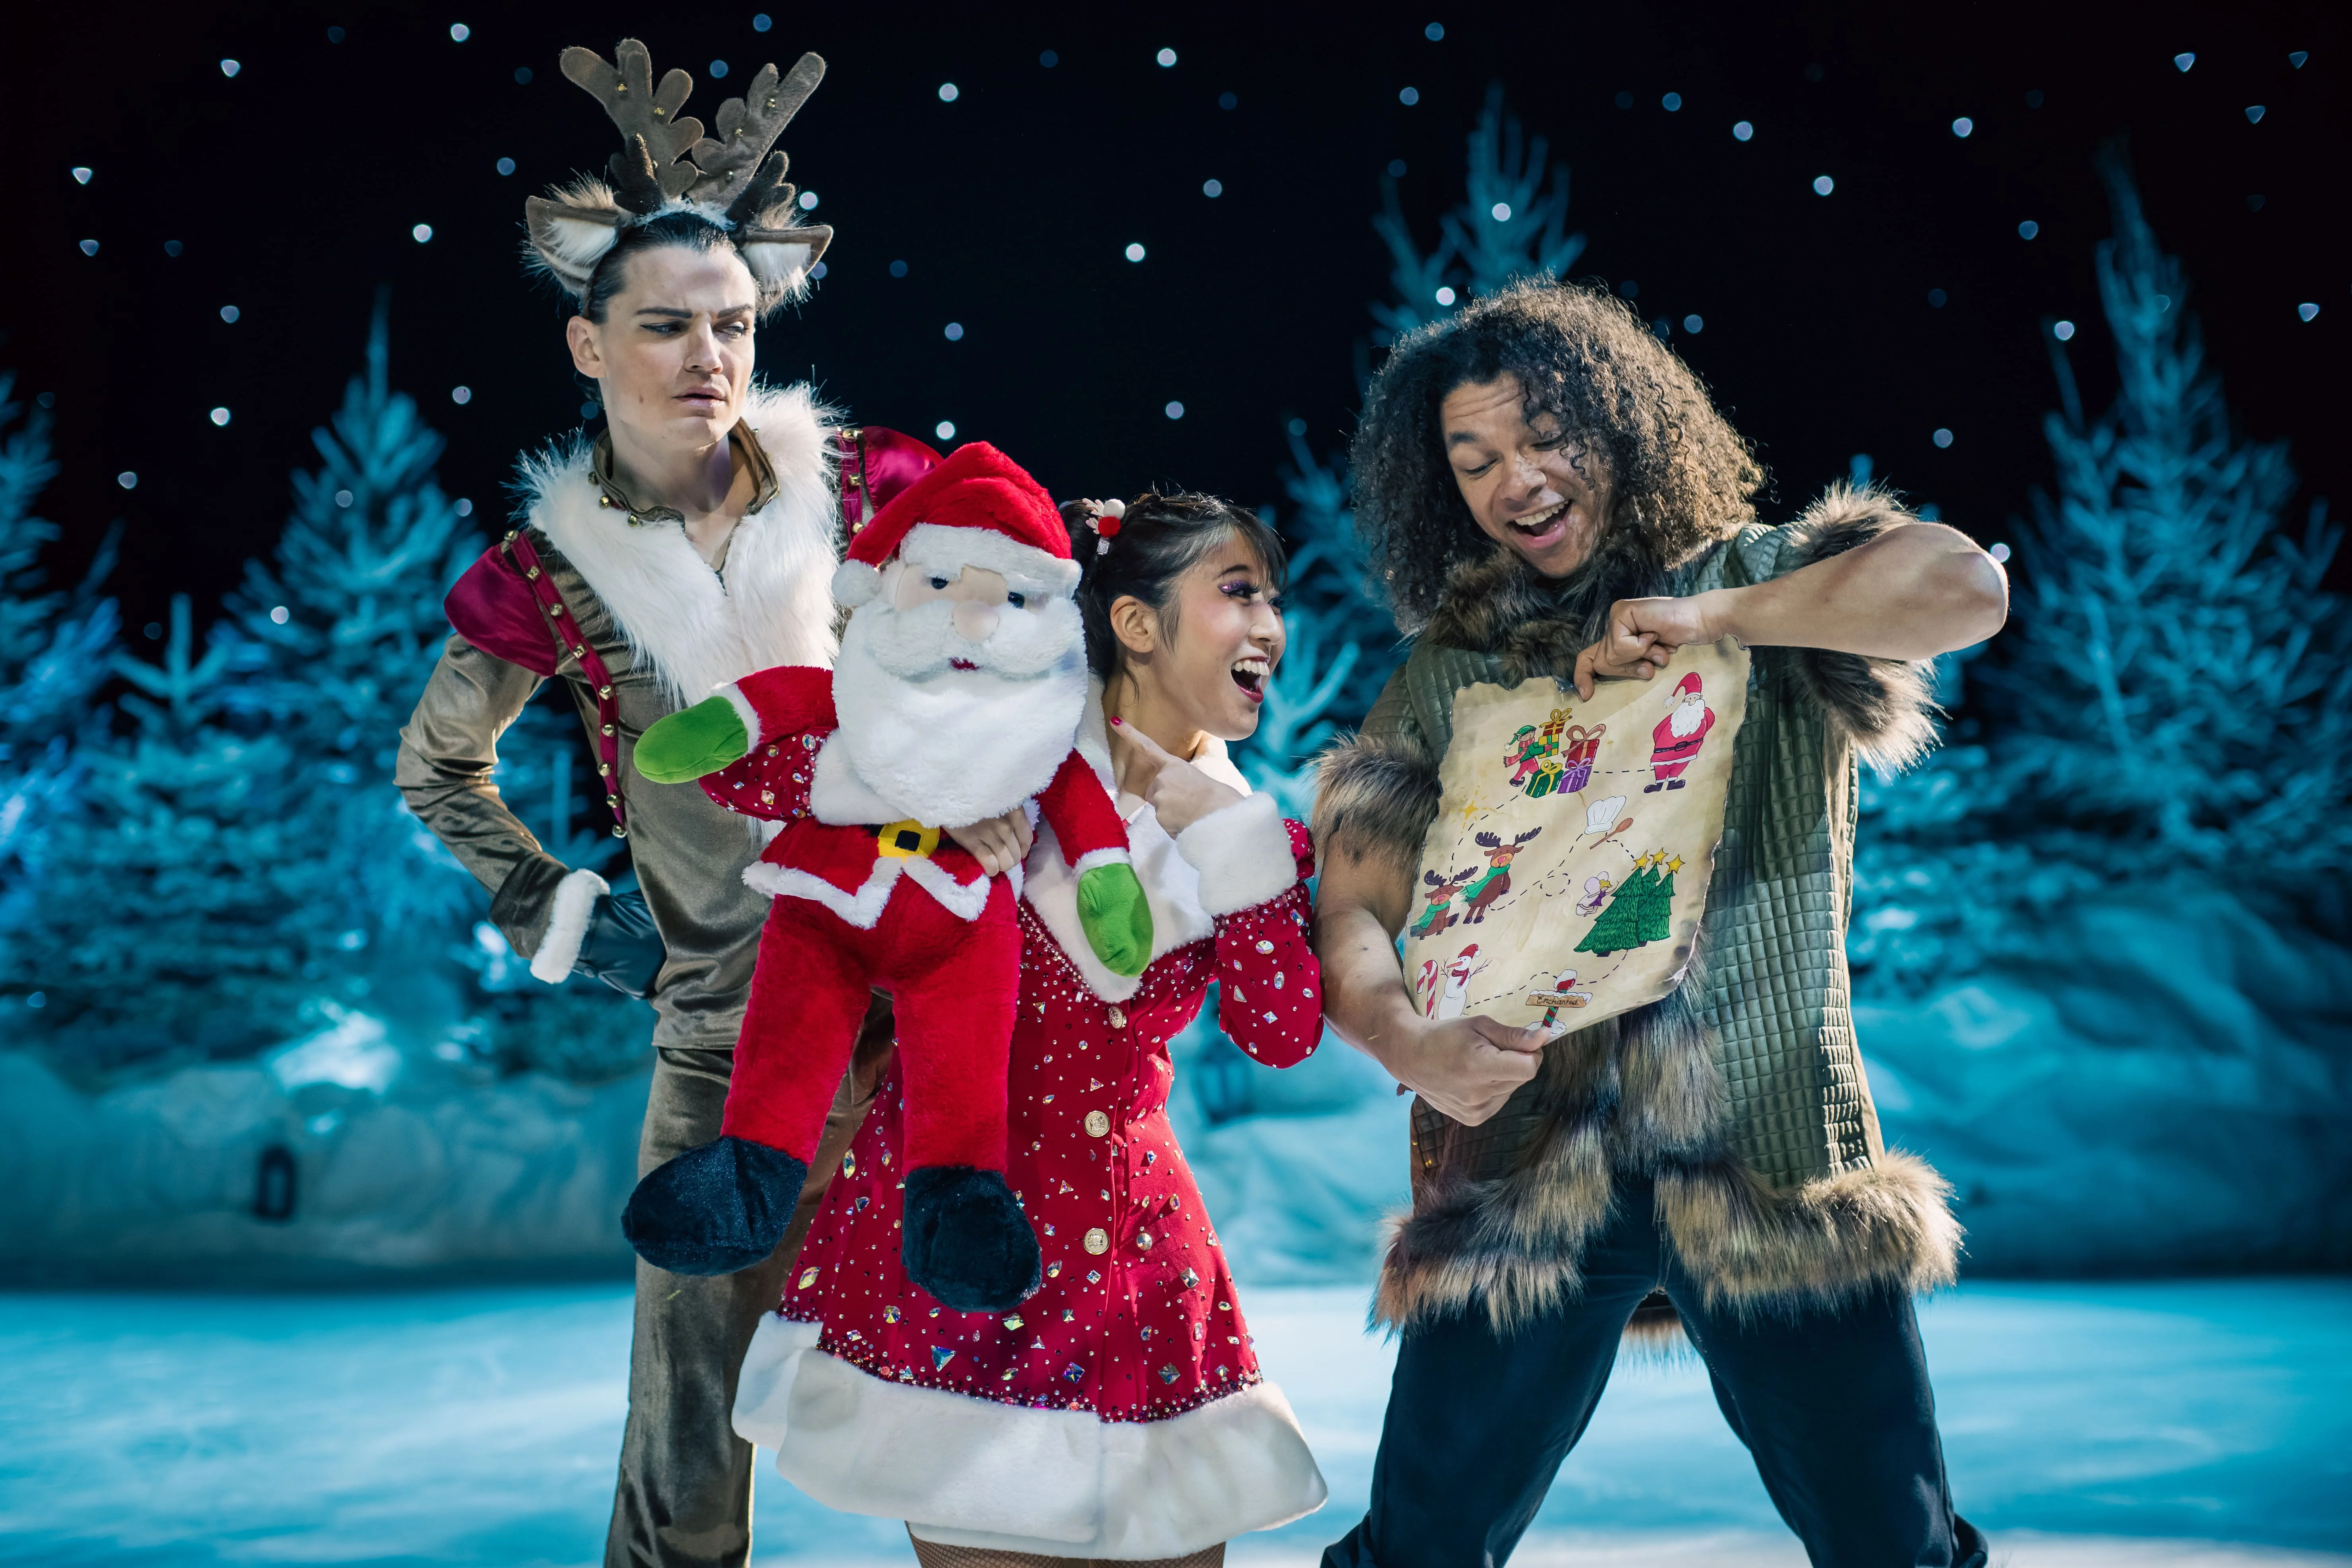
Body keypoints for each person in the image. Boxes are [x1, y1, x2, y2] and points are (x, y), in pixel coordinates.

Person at [1312, 279, 2010, 1568]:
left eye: (1543, 435)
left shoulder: (1768, 583)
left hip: (1771, 1152)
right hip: (1525, 1169)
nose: (1516, 479)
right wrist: (1406, 1039)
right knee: (1421, 1543)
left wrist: (1718, 619)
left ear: (1624, 420)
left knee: (1887, 1541)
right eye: (1475, 461)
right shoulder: (1449, 670)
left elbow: (1964, 587)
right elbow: (1351, 901)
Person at [394, 39, 940, 1568]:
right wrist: (565, 907)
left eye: (734, 324)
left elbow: (1030, 597)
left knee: (993, 1398)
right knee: (691, 1437)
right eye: (664, 327)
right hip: (722, 1041)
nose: (708, 355)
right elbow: (435, 763)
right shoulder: (550, 577)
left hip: (924, 1022)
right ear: (589, 349)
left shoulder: (868, 484)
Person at [726, 493, 1332, 1564]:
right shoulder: (976, 754)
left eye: (1274, 598)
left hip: (1140, 1261)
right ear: (1139, 623)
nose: (1270, 624)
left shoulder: (1251, 828)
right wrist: (917, 812)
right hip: (969, 1234)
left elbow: (1279, 1032)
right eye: (1237, 593)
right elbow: (785, 803)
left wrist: (1238, 855)